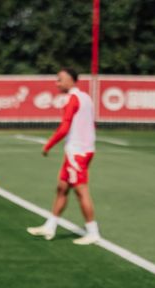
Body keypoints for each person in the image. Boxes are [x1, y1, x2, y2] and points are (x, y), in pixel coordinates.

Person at [27, 67, 101, 245]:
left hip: (78, 152)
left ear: (71, 80)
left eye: (60, 79)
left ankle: (93, 232)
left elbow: (64, 127)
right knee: (62, 187)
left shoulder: (72, 99)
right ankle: (50, 226)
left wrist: (48, 145)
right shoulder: (85, 98)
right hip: (83, 149)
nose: (57, 83)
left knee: (80, 190)